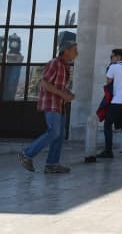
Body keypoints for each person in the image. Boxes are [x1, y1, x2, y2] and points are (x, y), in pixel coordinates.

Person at [18, 40, 78, 174]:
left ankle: (52, 164)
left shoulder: (65, 66)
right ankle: (26, 154)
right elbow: (44, 83)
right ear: (66, 50)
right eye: (75, 50)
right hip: (51, 104)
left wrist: (68, 94)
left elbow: (58, 86)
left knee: (60, 135)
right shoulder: (55, 63)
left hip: (60, 105)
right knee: (54, 132)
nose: (77, 53)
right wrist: (62, 93)